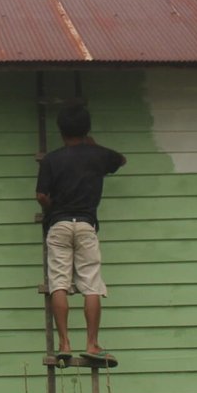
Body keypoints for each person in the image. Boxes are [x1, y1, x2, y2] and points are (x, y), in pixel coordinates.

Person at [35, 103, 125, 367]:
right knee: (91, 284)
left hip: (59, 224)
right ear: (87, 130)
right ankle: (92, 344)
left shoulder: (51, 159)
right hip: (86, 225)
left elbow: (41, 195)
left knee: (59, 283)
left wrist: (51, 208)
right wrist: (93, 145)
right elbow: (121, 160)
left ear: (61, 131)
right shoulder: (97, 155)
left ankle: (64, 344)